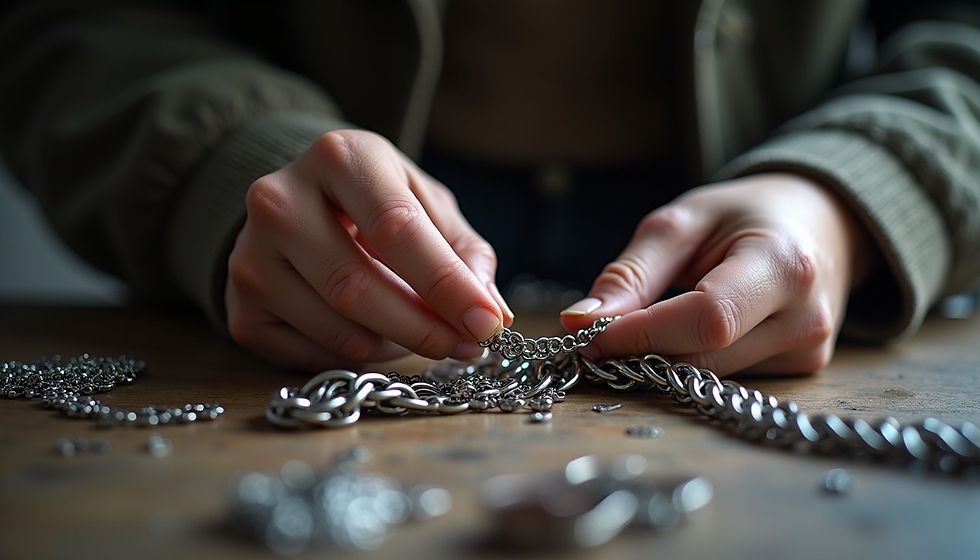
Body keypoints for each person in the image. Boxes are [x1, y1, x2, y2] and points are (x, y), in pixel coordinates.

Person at [1, 0, 978, 376]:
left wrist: (854, 192)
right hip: (333, 221)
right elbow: (68, 25)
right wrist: (228, 155)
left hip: (757, 206)